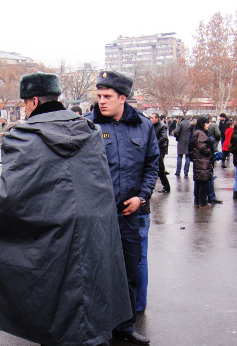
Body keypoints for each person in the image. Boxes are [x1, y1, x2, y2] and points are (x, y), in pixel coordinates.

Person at [0, 72, 131, 346]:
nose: (25, 109)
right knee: (88, 299)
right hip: (93, 233)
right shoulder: (91, 132)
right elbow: (100, 185)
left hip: (52, 237)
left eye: (25, 104)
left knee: (58, 305)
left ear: (34, 101)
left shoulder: (21, 137)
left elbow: (12, 196)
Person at [84, 70, 158, 345]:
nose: (101, 101)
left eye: (107, 96)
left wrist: (142, 196)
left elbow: (151, 165)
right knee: (95, 272)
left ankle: (124, 326)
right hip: (96, 215)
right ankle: (97, 329)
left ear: (123, 98)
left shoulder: (143, 125)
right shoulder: (86, 125)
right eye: (99, 96)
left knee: (128, 271)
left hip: (129, 213)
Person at [192, 115, 213, 207]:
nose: (208, 124)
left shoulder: (196, 132)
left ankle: (197, 201)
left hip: (198, 159)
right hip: (203, 160)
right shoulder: (201, 133)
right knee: (203, 182)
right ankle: (203, 202)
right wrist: (209, 152)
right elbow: (203, 147)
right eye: (207, 123)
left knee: (198, 182)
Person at [137, 196, 151, 314]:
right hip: (141, 208)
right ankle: (139, 304)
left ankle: (137, 303)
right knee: (140, 258)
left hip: (117, 207)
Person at [150, 113, 170, 193]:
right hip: (153, 149)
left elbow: (164, 137)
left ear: (157, 119)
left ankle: (166, 186)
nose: (150, 119)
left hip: (159, 150)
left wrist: (155, 144)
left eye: (152, 118)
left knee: (160, 169)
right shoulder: (152, 126)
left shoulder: (162, 126)